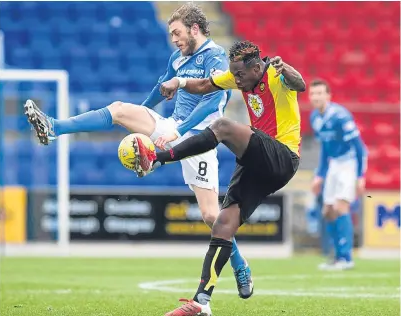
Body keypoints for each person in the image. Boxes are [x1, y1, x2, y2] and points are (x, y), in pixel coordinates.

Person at [24, 3, 253, 295]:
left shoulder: (216, 56)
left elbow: (212, 101)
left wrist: (178, 130)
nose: (174, 39)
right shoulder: (177, 58)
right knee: (119, 109)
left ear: (195, 29)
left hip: (200, 137)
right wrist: (140, 117)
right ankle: (54, 127)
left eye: (177, 33)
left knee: (211, 216)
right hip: (172, 127)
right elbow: (161, 89)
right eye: (171, 34)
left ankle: (240, 266)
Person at [134, 40, 305, 316]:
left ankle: (159, 157)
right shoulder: (237, 75)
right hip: (258, 162)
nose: (236, 80)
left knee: (222, 126)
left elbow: (300, 84)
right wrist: (178, 81)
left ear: (256, 67)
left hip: (283, 156)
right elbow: (204, 85)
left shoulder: (276, 72)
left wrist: (286, 70)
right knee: (222, 224)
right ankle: (201, 302)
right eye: (233, 74)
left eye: (240, 75)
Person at [309, 79, 367, 271]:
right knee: (327, 210)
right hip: (333, 164)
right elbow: (325, 149)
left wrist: (360, 176)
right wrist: (320, 175)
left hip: (349, 163)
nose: (316, 97)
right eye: (313, 94)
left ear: (328, 96)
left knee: (341, 207)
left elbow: (359, 147)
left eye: (319, 93)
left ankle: (346, 258)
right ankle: (336, 257)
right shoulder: (315, 118)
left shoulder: (341, 116)